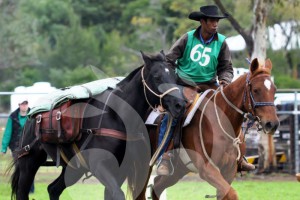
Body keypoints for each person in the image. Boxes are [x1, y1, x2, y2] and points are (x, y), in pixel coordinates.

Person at [156, 5, 255, 175]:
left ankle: (240, 157)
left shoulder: (222, 42)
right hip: (184, 84)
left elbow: (226, 67)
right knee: (174, 113)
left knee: (233, 111)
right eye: (212, 21)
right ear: (202, 21)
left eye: (217, 21)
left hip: (210, 85)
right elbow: (168, 61)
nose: (215, 24)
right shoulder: (187, 38)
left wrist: (224, 81)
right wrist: (172, 82)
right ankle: (164, 157)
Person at [1, 97, 34, 193]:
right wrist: (3, 148)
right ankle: (19, 188)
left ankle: (31, 189)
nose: (24, 106)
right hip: (16, 146)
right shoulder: (13, 117)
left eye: (26, 104)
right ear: (19, 105)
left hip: (30, 145)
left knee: (30, 166)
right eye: (22, 104)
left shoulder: (33, 115)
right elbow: (8, 132)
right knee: (19, 167)